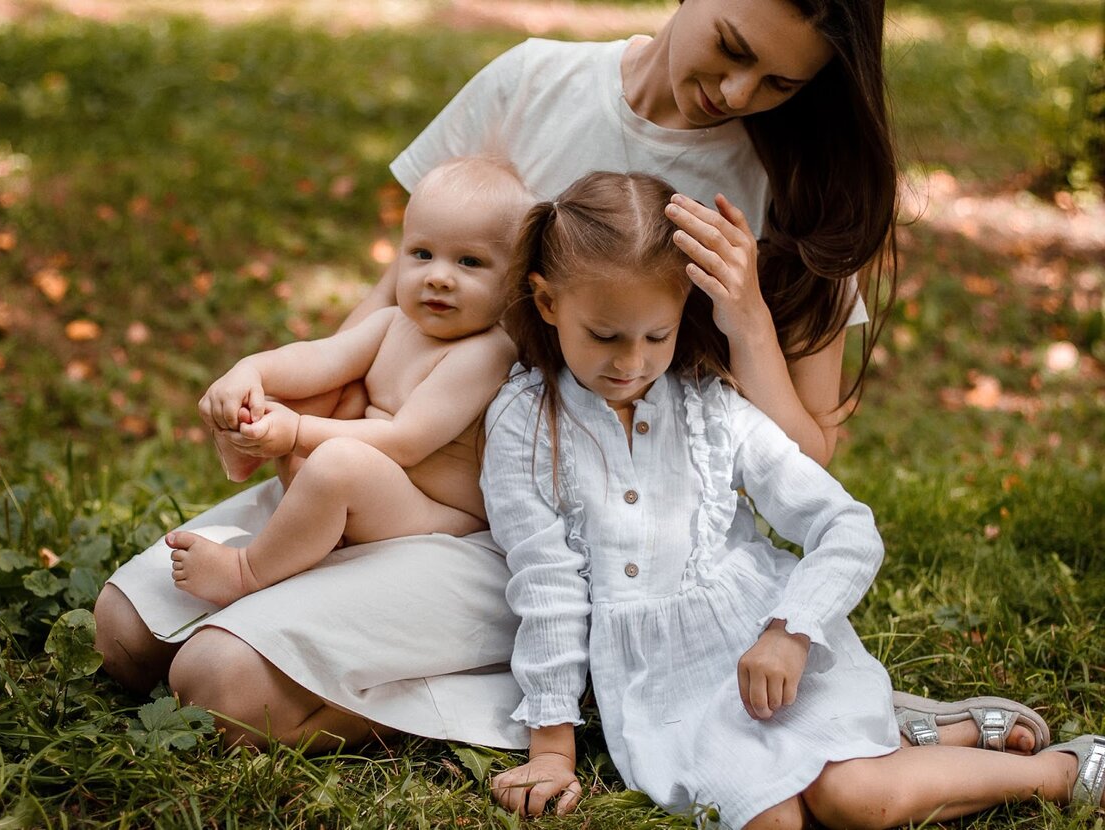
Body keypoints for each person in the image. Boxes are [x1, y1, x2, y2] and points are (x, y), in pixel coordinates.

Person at [94, 0, 1043, 755]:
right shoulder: (533, 83)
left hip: (553, 545)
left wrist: (747, 313)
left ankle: (567, 682)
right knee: (127, 634)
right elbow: (404, 289)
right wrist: (302, 412)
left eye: (779, 82)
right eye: (731, 47)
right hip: (383, 480)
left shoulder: (799, 191)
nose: (737, 91)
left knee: (214, 683)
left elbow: (811, 453)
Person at [482, 170, 1104, 828]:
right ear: (547, 302)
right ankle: (908, 735)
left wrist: (792, 630)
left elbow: (846, 525)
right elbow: (546, 586)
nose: (632, 362)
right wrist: (552, 750)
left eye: (657, 336)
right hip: (660, 689)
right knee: (770, 820)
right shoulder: (525, 424)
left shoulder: (710, 410)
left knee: (854, 799)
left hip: (768, 643)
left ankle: (1059, 772)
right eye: (605, 336)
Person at [162, 156, 528, 607]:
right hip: (382, 488)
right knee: (309, 396)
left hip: (434, 512)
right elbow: (321, 357)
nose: (438, 277)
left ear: (513, 281)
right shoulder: (395, 323)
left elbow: (406, 441)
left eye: (469, 262)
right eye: (421, 254)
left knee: (336, 461)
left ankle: (246, 571)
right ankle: (258, 455)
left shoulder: (486, 352)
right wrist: (251, 370)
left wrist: (296, 432)